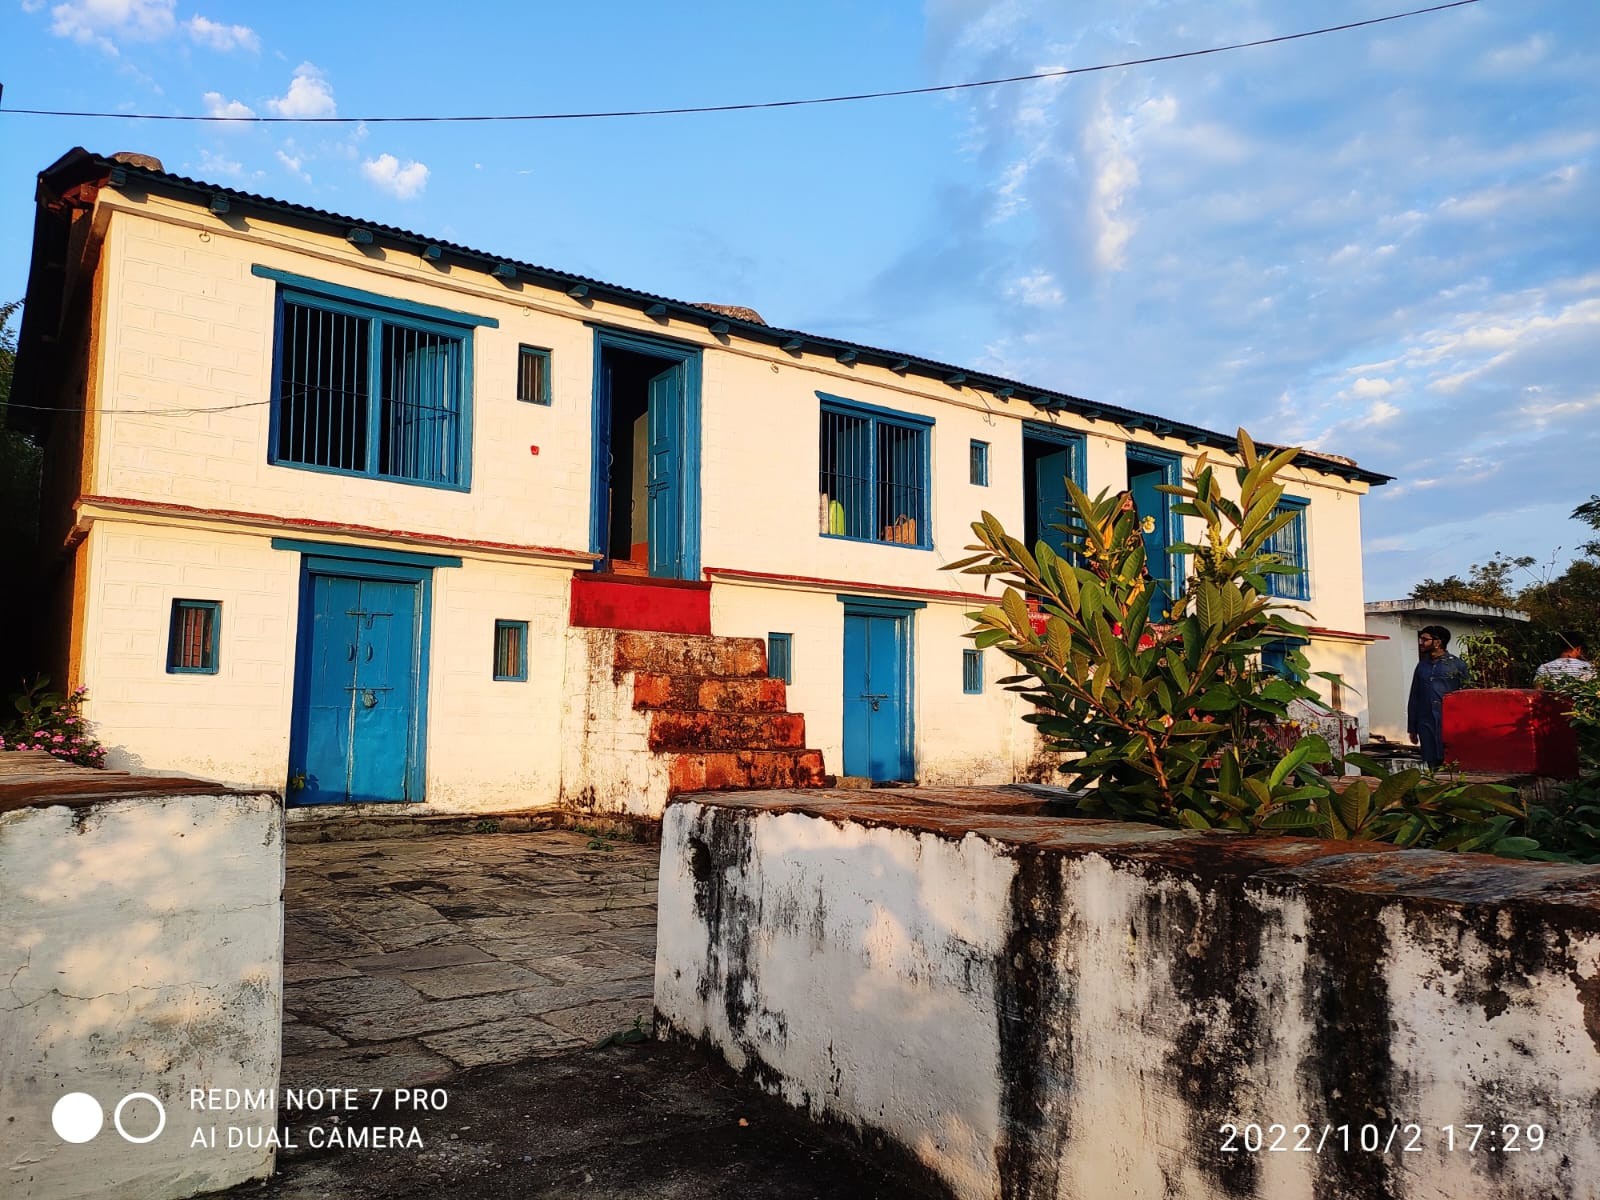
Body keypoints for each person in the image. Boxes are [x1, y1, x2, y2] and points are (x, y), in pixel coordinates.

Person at [1407, 625, 1470, 768]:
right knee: (1431, 761)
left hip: (1449, 720)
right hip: (1425, 721)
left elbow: (1466, 695)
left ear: (1437, 642)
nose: (1421, 642)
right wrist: (1412, 727)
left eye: (1425, 639)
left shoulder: (1457, 665)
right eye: (1420, 639)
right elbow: (1414, 696)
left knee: (1451, 761)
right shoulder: (1421, 666)